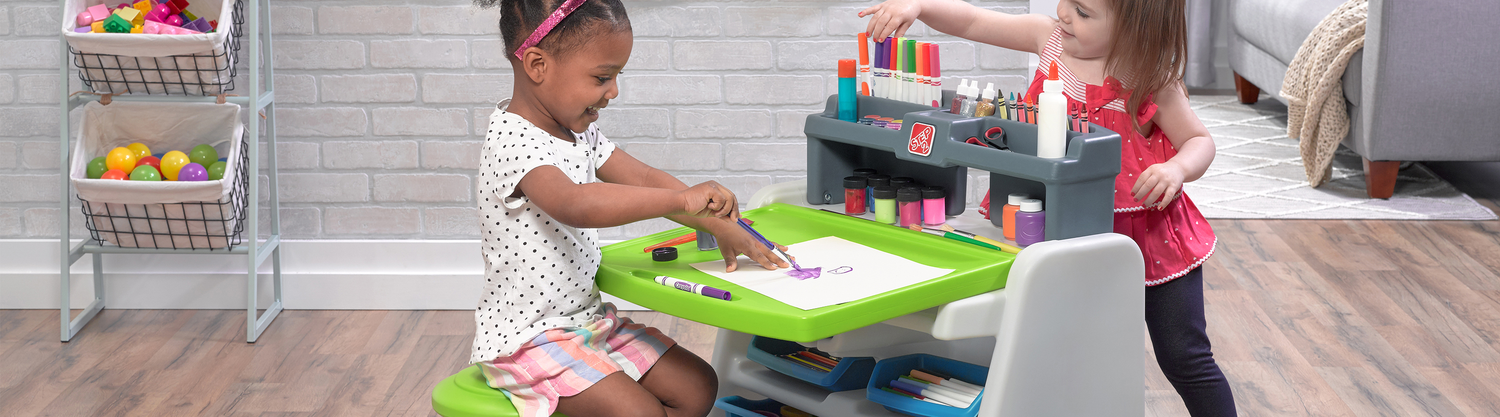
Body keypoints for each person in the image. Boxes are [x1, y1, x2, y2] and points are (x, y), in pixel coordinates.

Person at [861, 0, 1235, 415]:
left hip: (1152, 235)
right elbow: (972, 21)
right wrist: (921, 6)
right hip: (1061, 226)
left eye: (1084, 11)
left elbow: (1199, 141)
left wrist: (1176, 169)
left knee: (1185, 357)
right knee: (1066, 350)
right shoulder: (1049, 40)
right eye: (1066, 0)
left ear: (1136, 27)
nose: (1063, 12)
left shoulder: (1152, 78)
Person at [469, 1, 790, 416]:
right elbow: (574, 203)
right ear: (536, 65)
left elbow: (642, 178)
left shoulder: (577, 133)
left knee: (698, 386)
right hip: (528, 339)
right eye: (602, 77)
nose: (614, 90)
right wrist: (681, 200)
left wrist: (716, 221)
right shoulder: (513, 140)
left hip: (587, 323)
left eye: (617, 75)